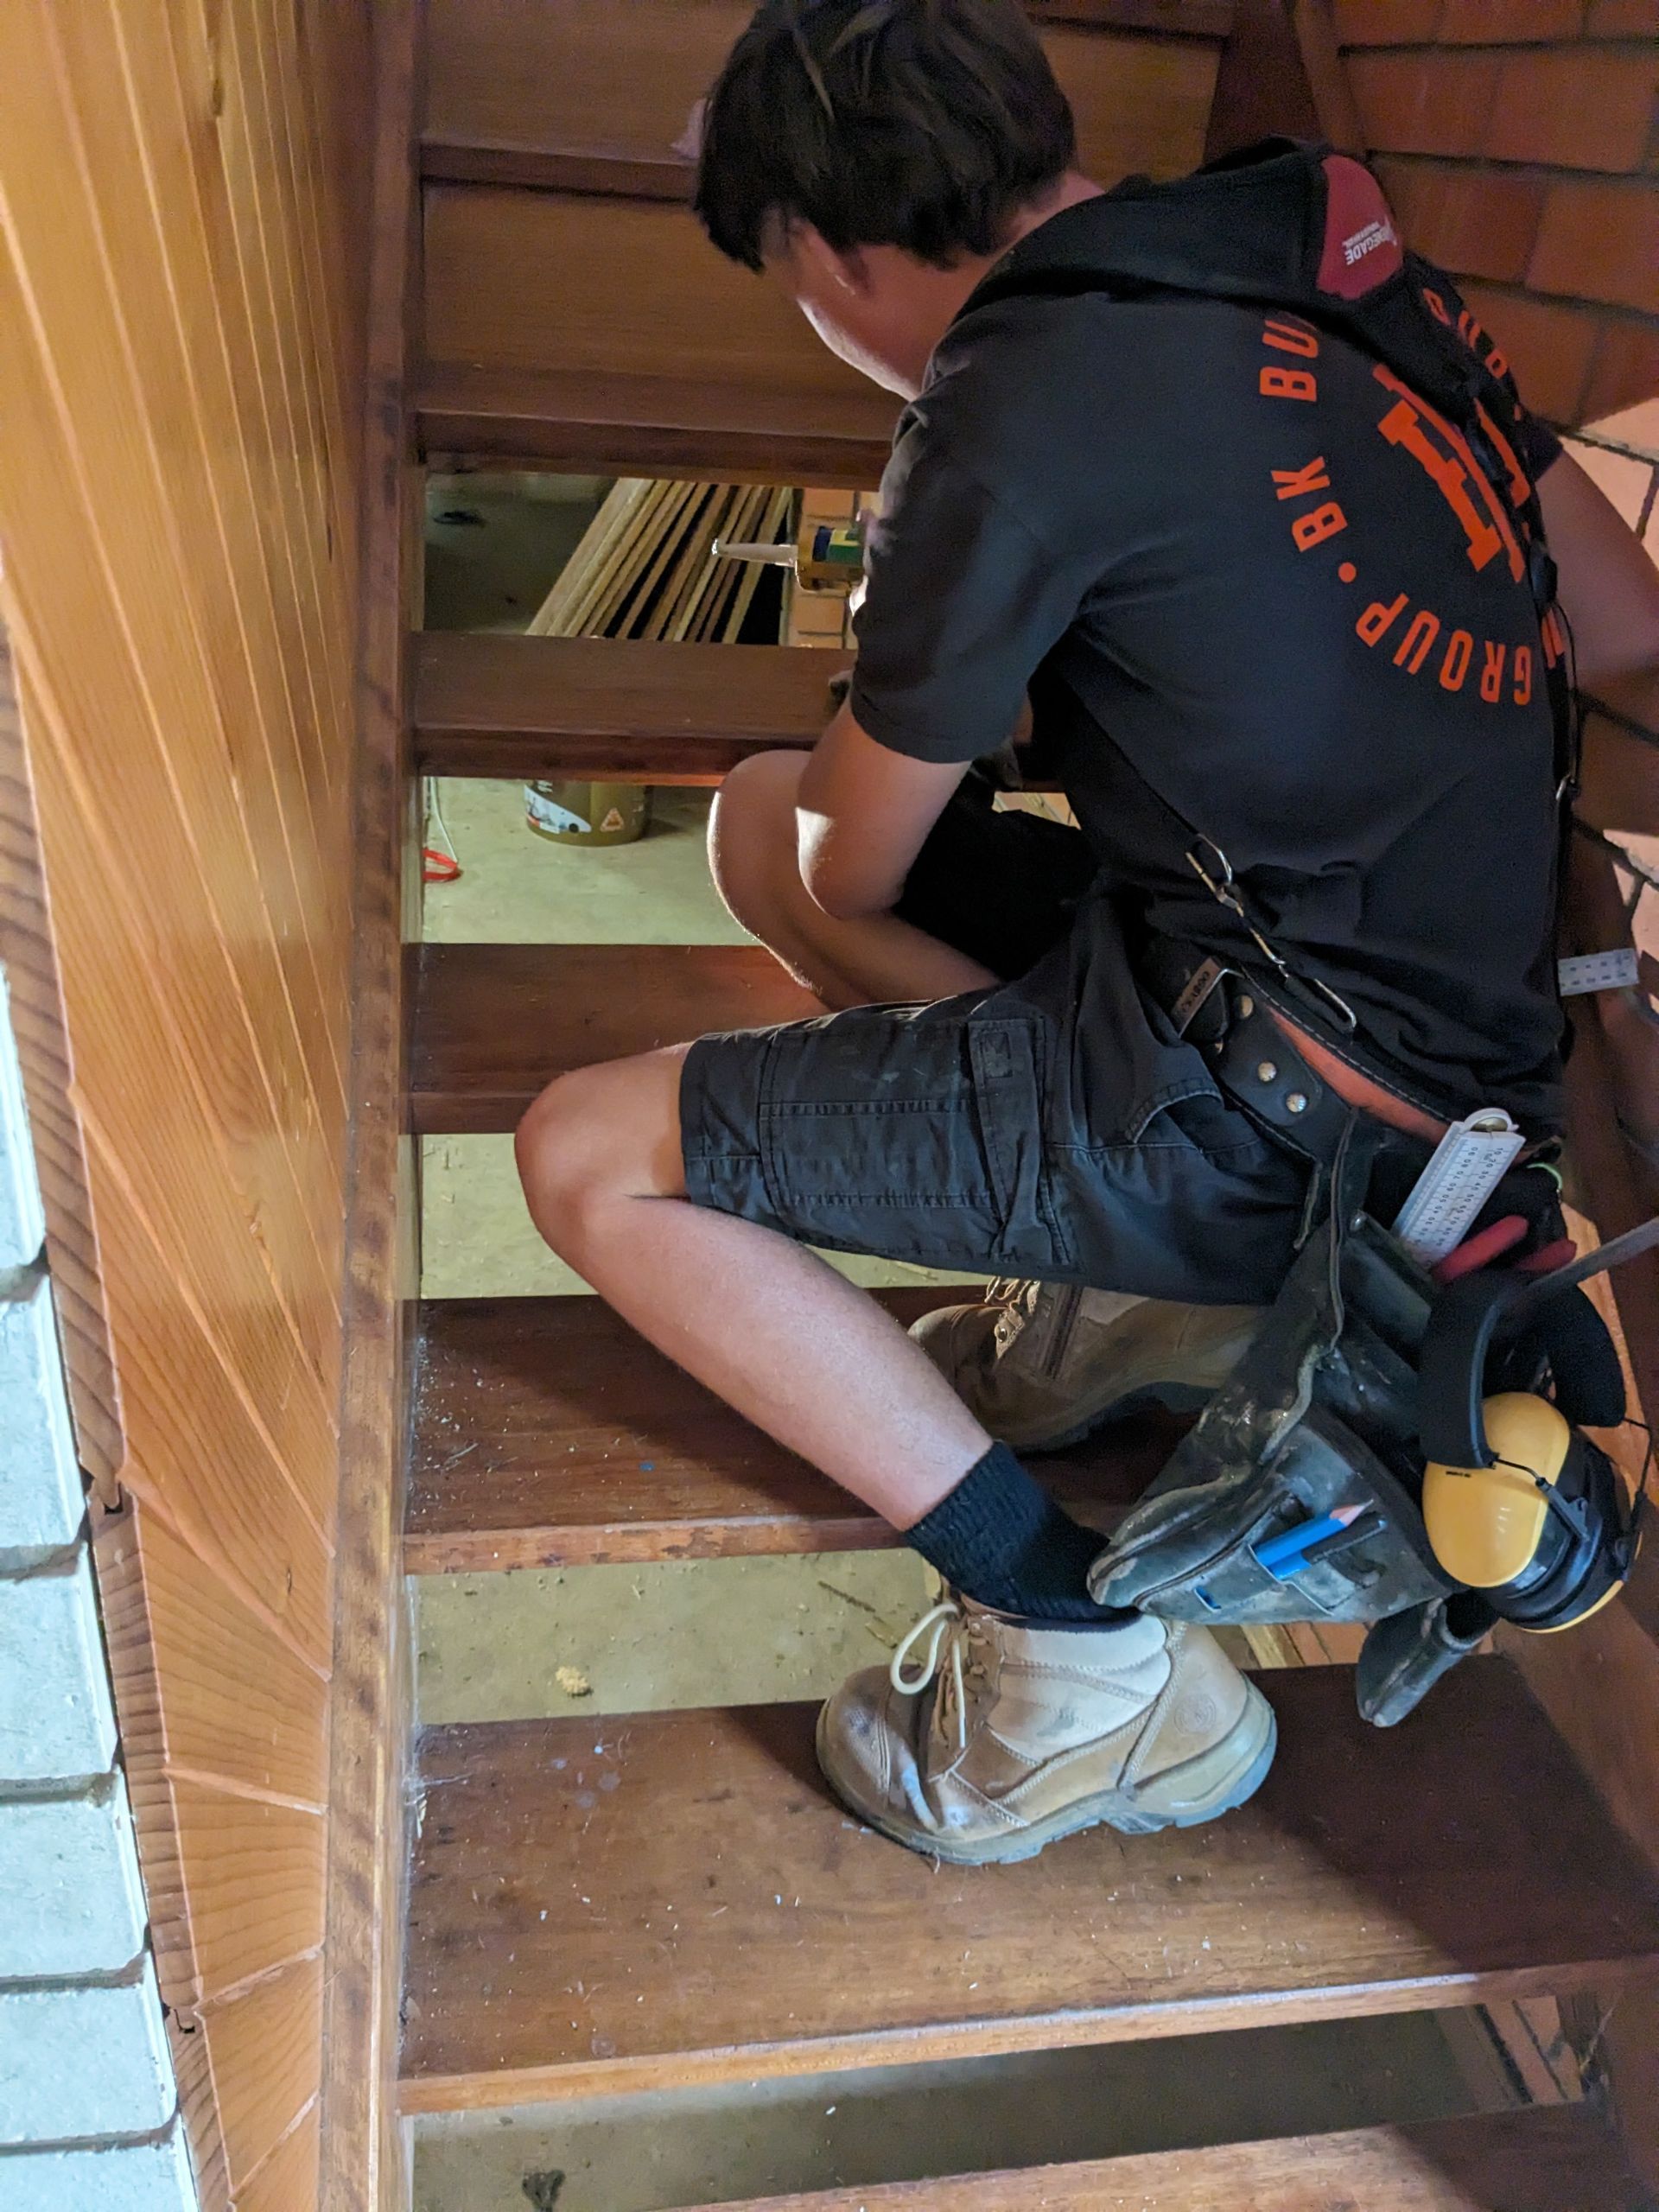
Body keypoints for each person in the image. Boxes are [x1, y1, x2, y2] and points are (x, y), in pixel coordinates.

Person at [515, 0, 1659, 1864]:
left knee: (587, 1154)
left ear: (836, 251)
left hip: (1274, 1108)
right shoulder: (1339, 256)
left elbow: (851, 863)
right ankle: (1120, 1275)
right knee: (742, 818)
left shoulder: (1013, 402)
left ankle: (1072, 1653)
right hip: (1449, 1055)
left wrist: (976, 617)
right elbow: (1610, 624)